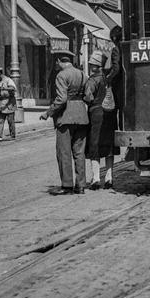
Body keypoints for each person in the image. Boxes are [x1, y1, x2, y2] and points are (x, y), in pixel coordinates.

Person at [41, 50, 88, 195]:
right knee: (79, 153)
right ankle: (80, 186)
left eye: (55, 62)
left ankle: (67, 186)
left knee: (64, 152)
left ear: (59, 61)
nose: (55, 65)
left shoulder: (61, 75)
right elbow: (88, 96)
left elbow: (61, 99)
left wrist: (48, 113)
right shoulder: (82, 74)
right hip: (81, 117)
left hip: (65, 117)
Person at [84, 50, 119, 189]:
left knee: (95, 145)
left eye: (91, 63)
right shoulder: (109, 78)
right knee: (109, 145)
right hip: (110, 114)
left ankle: (96, 179)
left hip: (96, 115)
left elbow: (88, 97)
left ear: (94, 66)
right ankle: (109, 178)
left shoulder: (93, 80)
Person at [106, 25, 125, 131]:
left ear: (114, 38)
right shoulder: (127, 46)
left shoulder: (116, 49)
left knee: (117, 107)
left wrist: (109, 77)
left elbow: (116, 68)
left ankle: (121, 128)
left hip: (120, 84)